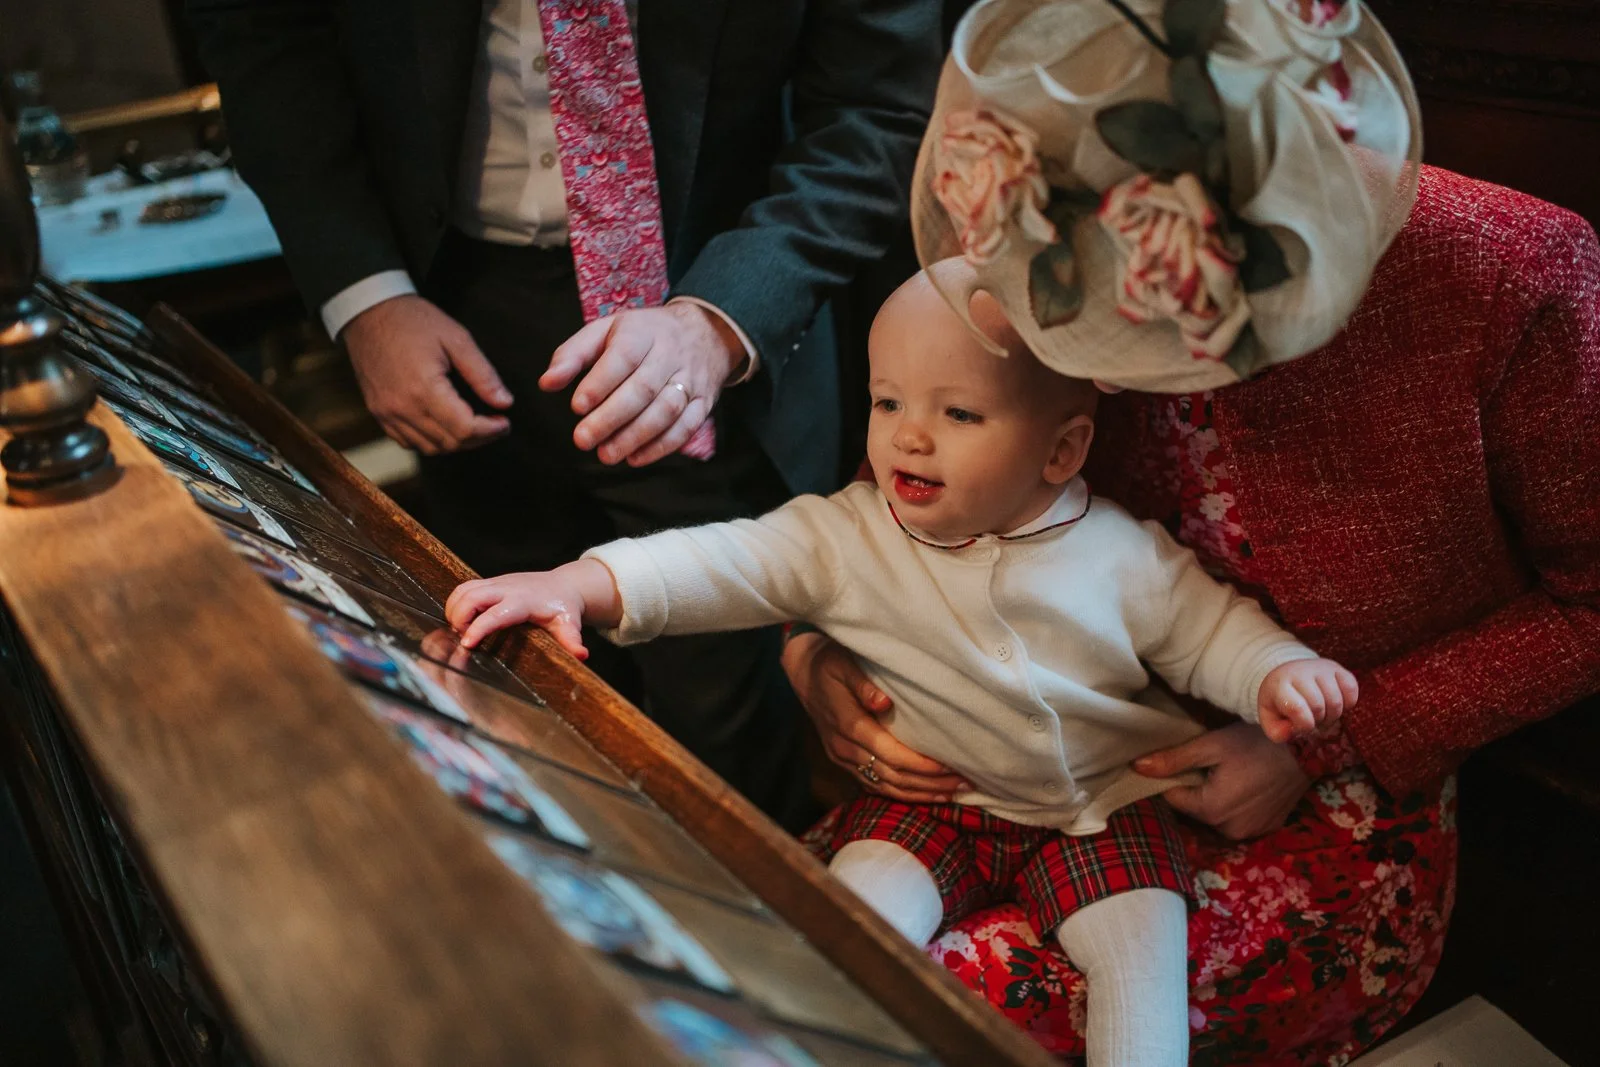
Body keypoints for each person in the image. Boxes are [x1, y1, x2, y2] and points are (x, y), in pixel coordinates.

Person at [790, 1, 1600, 1062]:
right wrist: (819, 654)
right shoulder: (1036, 230)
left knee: (939, 1007)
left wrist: (1320, 745)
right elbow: (906, 476)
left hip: (1327, 789)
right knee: (802, 960)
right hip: (1017, 737)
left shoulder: (1511, 275)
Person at [445, 260, 1359, 1067]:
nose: (909, 437)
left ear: (1062, 450)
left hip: (1102, 807)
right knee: (845, 937)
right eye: (889, 402)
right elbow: (714, 560)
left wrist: (1277, 672)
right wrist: (576, 583)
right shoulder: (846, 533)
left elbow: (1211, 633)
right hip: (928, 801)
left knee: (1143, 963)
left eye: (958, 412)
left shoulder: (1122, 553)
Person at [186, 0, 942, 828]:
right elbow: (267, 42)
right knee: (520, 721)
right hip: (457, 315)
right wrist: (365, 298)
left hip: (720, 310)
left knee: (729, 766)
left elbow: (877, 109)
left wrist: (721, 319)